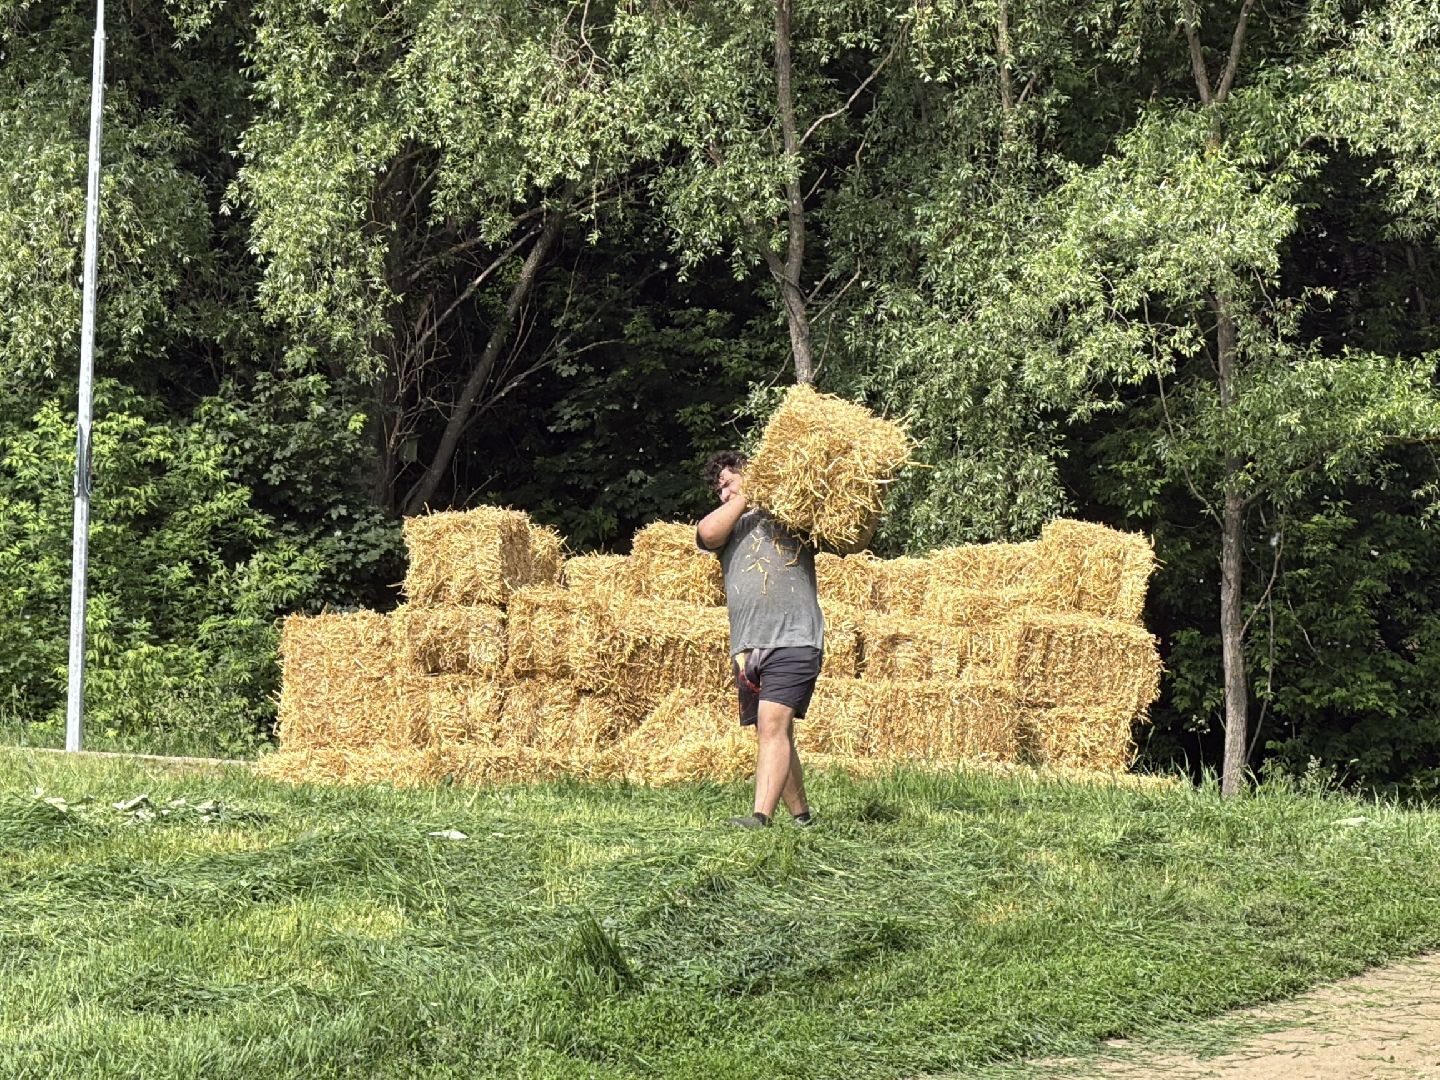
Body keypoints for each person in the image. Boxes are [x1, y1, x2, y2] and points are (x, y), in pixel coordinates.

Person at [696, 450, 822, 829]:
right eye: (719, 490)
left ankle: (760, 818)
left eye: (728, 482)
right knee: (773, 732)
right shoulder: (729, 525)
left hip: (794, 636)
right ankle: (802, 818)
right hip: (748, 649)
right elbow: (707, 533)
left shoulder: (789, 515)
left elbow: (838, 529)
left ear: (748, 475)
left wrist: (766, 489)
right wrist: (744, 496)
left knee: (772, 725)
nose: (723, 494)